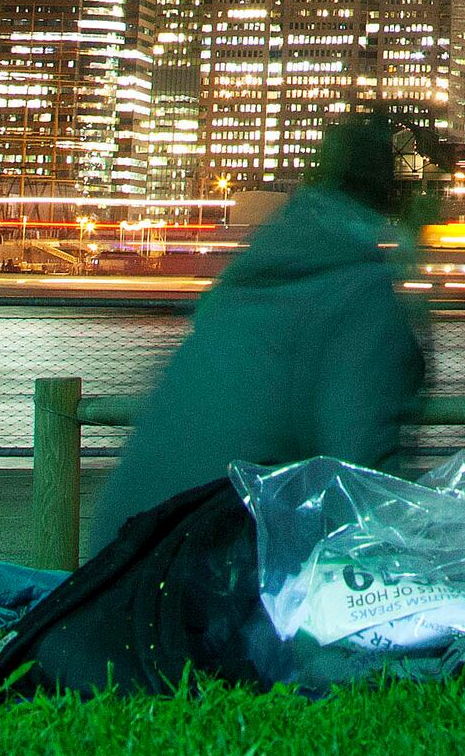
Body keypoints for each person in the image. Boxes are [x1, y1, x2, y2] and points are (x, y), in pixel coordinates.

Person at [85, 113, 427, 548]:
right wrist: (416, 256)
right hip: (202, 577)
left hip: (117, 561)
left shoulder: (248, 279)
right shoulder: (358, 292)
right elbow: (361, 482)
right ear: (399, 190)